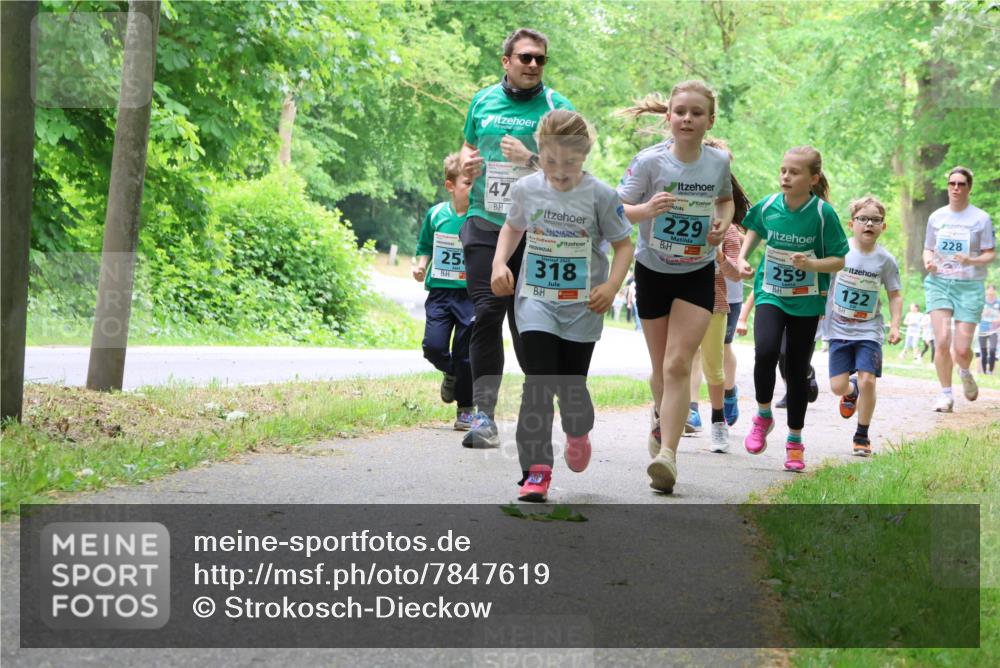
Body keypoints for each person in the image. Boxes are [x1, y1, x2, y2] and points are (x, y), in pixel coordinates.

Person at [490, 110, 633, 502]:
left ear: (584, 155)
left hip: (582, 305)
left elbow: (624, 245)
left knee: (571, 389)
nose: (559, 170)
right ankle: (536, 469)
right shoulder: (526, 190)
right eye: (551, 161)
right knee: (538, 382)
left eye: (569, 162)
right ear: (539, 152)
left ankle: (578, 427)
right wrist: (500, 262)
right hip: (535, 300)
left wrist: (611, 286)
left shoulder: (601, 195)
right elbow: (513, 227)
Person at [458, 28, 574, 447]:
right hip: (485, 221)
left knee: (529, 326)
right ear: (506, 61)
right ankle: (483, 417)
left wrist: (528, 159)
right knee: (487, 311)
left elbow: (572, 171)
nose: (532, 65)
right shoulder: (482, 101)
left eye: (540, 59)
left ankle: (541, 405)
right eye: (525, 57)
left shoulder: (556, 107)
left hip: (540, 230)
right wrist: (466, 168)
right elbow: (468, 151)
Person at [617, 81, 735, 493]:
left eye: (696, 113)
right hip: (653, 270)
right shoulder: (649, 163)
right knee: (660, 371)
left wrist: (722, 222)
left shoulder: (718, 163)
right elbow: (616, 211)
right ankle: (660, 409)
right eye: (680, 111)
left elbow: (725, 200)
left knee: (678, 363)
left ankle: (667, 456)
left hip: (697, 271)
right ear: (668, 116)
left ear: (709, 120)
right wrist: (646, 209)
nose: (687, 118)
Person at [736, 146, 849, 472]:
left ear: (813, 179)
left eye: (795, 172)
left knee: (797, 371)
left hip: (806, 298)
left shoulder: (822, 214)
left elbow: (840, 259)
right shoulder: (770, 204)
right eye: (783, 170)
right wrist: (744, 257)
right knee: (766, 352)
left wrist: (813, 263)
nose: (786, 176)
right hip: (771, 291)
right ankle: (763, 414)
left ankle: (795, 441)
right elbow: (756, 226)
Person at [825, 196, 903, 456]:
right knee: (837, 386)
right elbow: (824, 283)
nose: (869, 224)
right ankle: (851, 391)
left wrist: (894, 326)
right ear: (851, 224)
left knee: (869, 379)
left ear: (884, 226)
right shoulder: (840, 251)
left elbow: (895, 294)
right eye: (863, 219)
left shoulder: (886, 260)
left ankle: (862, 435)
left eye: (875, 220)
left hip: (869, 330)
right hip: (838, 328)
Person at [923, 166, 996, 412]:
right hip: (940, 283)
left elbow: (990, 254)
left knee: (962, 349)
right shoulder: (936, 217)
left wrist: (971, 260)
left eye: (961, 184)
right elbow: (928, 248)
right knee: (942, 340)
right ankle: (945, 394)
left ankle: (964, 370)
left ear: (968, 188)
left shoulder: (980, 219)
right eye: (952, 183)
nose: (956, 188)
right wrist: (928, 261)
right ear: (948, 187)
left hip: (969, 287)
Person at [412, 154, 476, 430]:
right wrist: (420, 266)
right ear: (450, 186)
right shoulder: (436, 214)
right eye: (468, 183)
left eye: (477, 183)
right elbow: (425, 245)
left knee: (466, 355)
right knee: (433, 347)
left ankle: (465, 408)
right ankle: (450, 373)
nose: (473, 188)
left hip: (469, 294)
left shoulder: (479, 217)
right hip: (439, 291)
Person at [978, 284, 999, 374]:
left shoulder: (998, 302)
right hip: (982, 328)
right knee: (983, 350)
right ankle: (984, 371)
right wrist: (982, 313)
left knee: (993, 349)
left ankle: (990, 370)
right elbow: (976, 314)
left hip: (993, 330)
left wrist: (997, 321)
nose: (990, 292)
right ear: (986, 291)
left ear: (994, 291)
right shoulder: (982, 301)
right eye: (989, 290)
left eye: (992, 290)